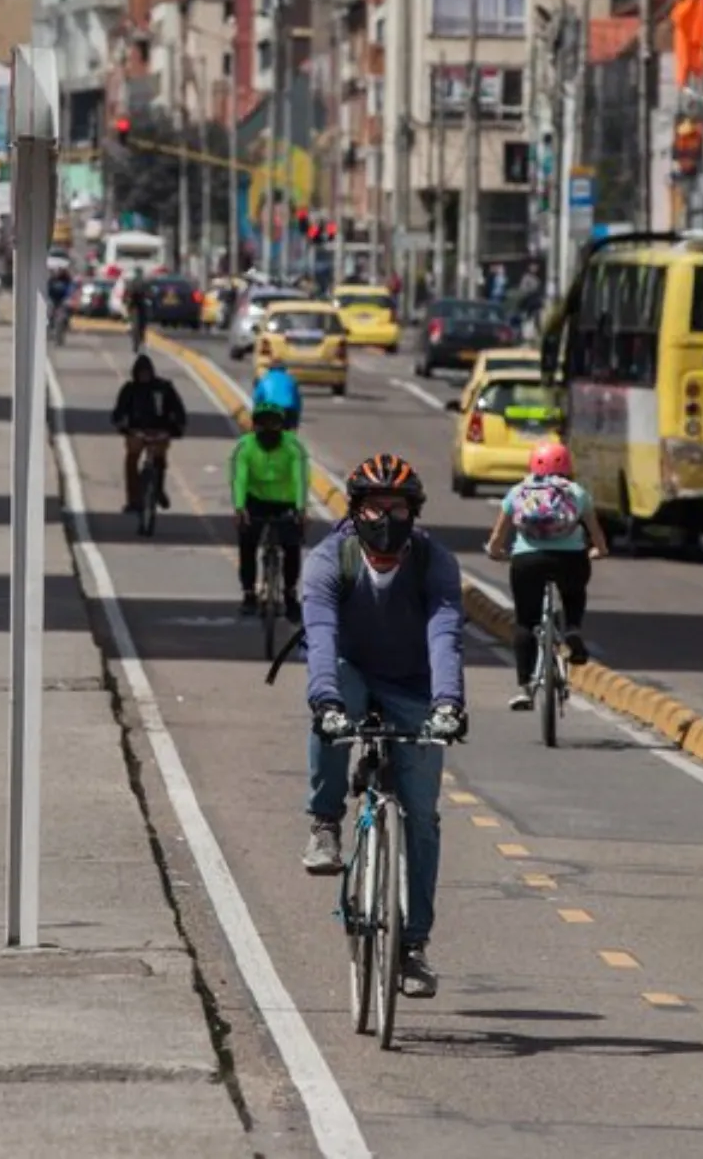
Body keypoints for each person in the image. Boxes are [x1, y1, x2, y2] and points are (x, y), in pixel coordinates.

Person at [302, 454, 468, 999]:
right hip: (349, 672)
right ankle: (325, 822)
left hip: (414, 684)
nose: (386, 519)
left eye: (397, 508)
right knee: (332, 712)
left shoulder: (433, 562)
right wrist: (326, 703)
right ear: (355, 511)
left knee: (422, 816)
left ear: (413, 512)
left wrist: (448, 703)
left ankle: (413, 947)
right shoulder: (331, 559)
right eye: (375, 508)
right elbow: (321, 635)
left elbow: (445, 633)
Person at [483, 441, 606, 708]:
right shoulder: (576, 492)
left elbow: (497, 537)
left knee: (525, 622)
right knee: (574, 592)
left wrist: (496, 552)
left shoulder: (517, 492)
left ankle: (526, 688)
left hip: (527, 561)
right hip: (570, 560)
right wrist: (599, 550)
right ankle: (572, 628)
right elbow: (596, 534)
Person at [231, 405, 309, 619]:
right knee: (247, 541)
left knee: (292, 545)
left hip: (286, 502)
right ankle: (249, 593)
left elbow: (300, 478)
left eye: (273, 423)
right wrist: (239, 508)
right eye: (262, 424)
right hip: (255, 500)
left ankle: (290, 594)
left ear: (282, 426)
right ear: (254, 426)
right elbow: (239, 479)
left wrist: (301, 509)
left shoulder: (293, 446)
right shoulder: (244, 447)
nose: (268, 428)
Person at [111, 353, 188, 513]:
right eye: (141, 373)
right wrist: (122, 425)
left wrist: (176, 427)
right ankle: (133, 500)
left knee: (160, 458)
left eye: (146, 372)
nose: (144, 376)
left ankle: (158, 488)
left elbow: (178, 410)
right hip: (136, 431)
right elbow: (118, 412)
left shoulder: (164, 388)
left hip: (159, 431)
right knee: (131, 460)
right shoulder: (129, 390)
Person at [251, 358, 304, 432]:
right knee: (288, 433)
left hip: (270, 409)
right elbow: (297, 401)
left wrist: (254, 417)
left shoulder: (264, 378)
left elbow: (257, 398)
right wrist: (296, 421)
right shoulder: (291, 379)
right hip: (288, 410)